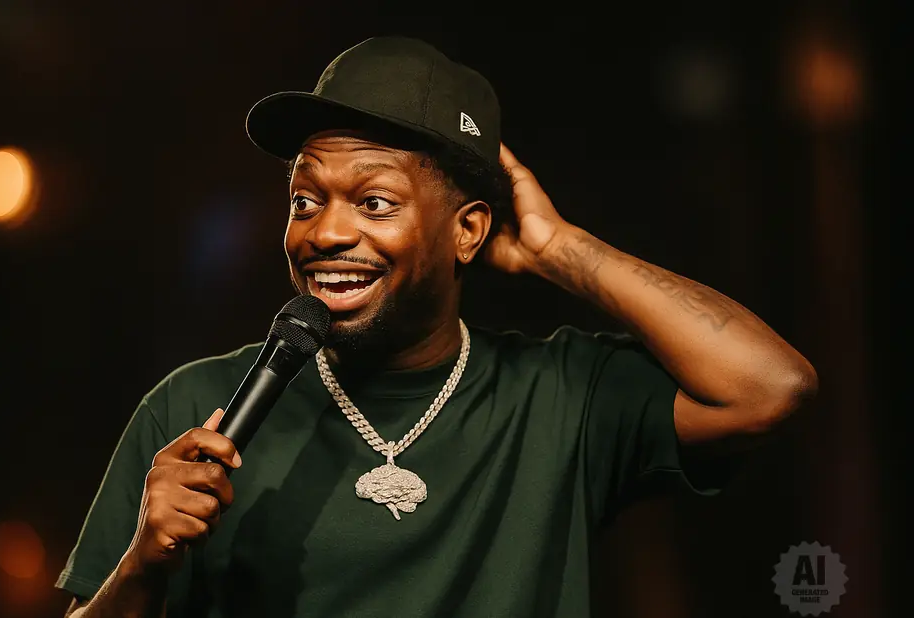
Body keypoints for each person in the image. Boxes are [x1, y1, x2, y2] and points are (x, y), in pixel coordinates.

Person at [57, 36, 817, 617]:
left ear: (467, 231)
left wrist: (561, 250)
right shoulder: (195, 408)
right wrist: (143, 565)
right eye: (304, 199)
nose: (323, 233)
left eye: (374, 202)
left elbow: (769, 386)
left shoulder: (557, 395)